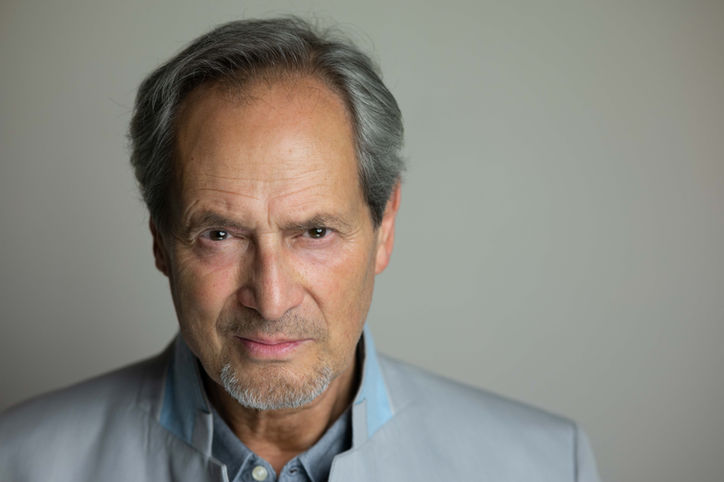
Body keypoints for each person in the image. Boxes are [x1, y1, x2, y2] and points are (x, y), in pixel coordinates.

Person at [0, 17, 600, 482]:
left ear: (385, 226)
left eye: (314, 233)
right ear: (160, 240)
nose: (272, 298)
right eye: (220, 234)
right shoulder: (18, 461)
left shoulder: (545, 466)